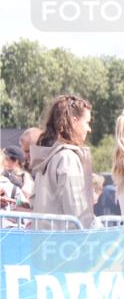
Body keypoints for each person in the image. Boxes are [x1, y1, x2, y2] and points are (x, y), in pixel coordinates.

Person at [30, 94, 96, 227]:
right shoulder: (67, 158)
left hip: (45, 240)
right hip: (66, 243)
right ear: (74, 121)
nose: (89, 129)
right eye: (87, 122)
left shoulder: (47, 158)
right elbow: (77, 212)